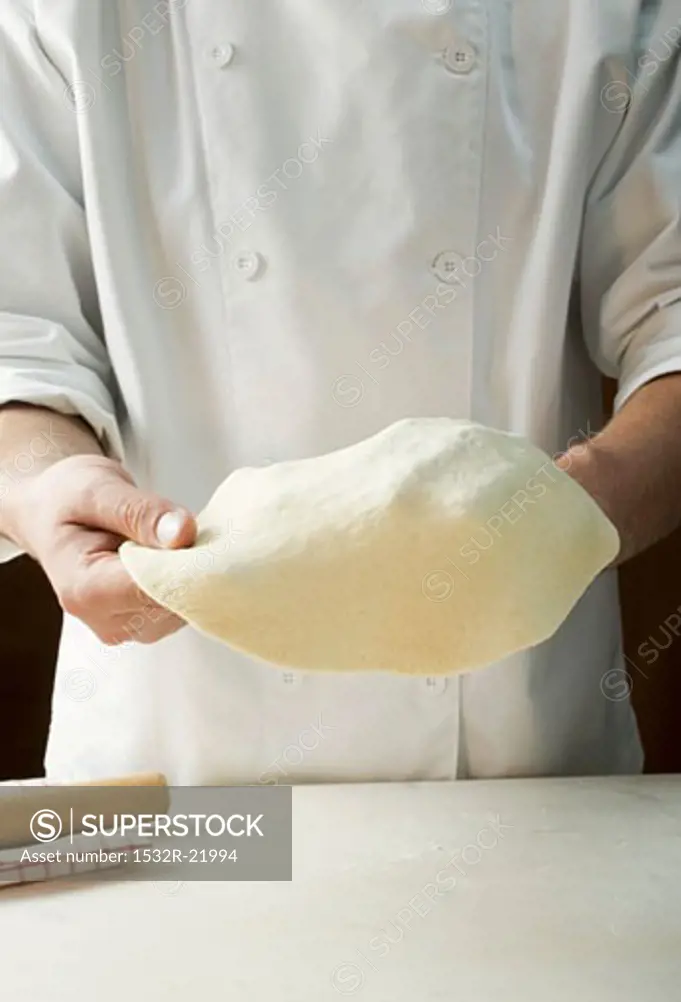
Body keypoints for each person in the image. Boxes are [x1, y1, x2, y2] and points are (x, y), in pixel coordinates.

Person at [1, 0, 680, 785]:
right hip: (179, 757)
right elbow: (17, 338)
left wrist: (563, 518)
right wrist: (48, 482)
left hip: (511, 769)